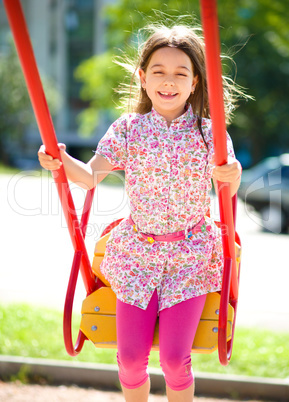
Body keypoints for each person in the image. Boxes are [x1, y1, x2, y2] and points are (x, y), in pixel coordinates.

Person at [39, 23, 243, 402]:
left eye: (180, 73)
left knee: (173, 361)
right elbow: (88, 177)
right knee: (131, 359)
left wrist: (232, 172)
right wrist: (60, 160)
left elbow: (228, 172)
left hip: (189, 258)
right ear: (143, 78)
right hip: (138, 256)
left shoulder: (208, 133)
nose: (169, 82)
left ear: (196, 82)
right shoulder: (129, 129)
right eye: (158, 72)